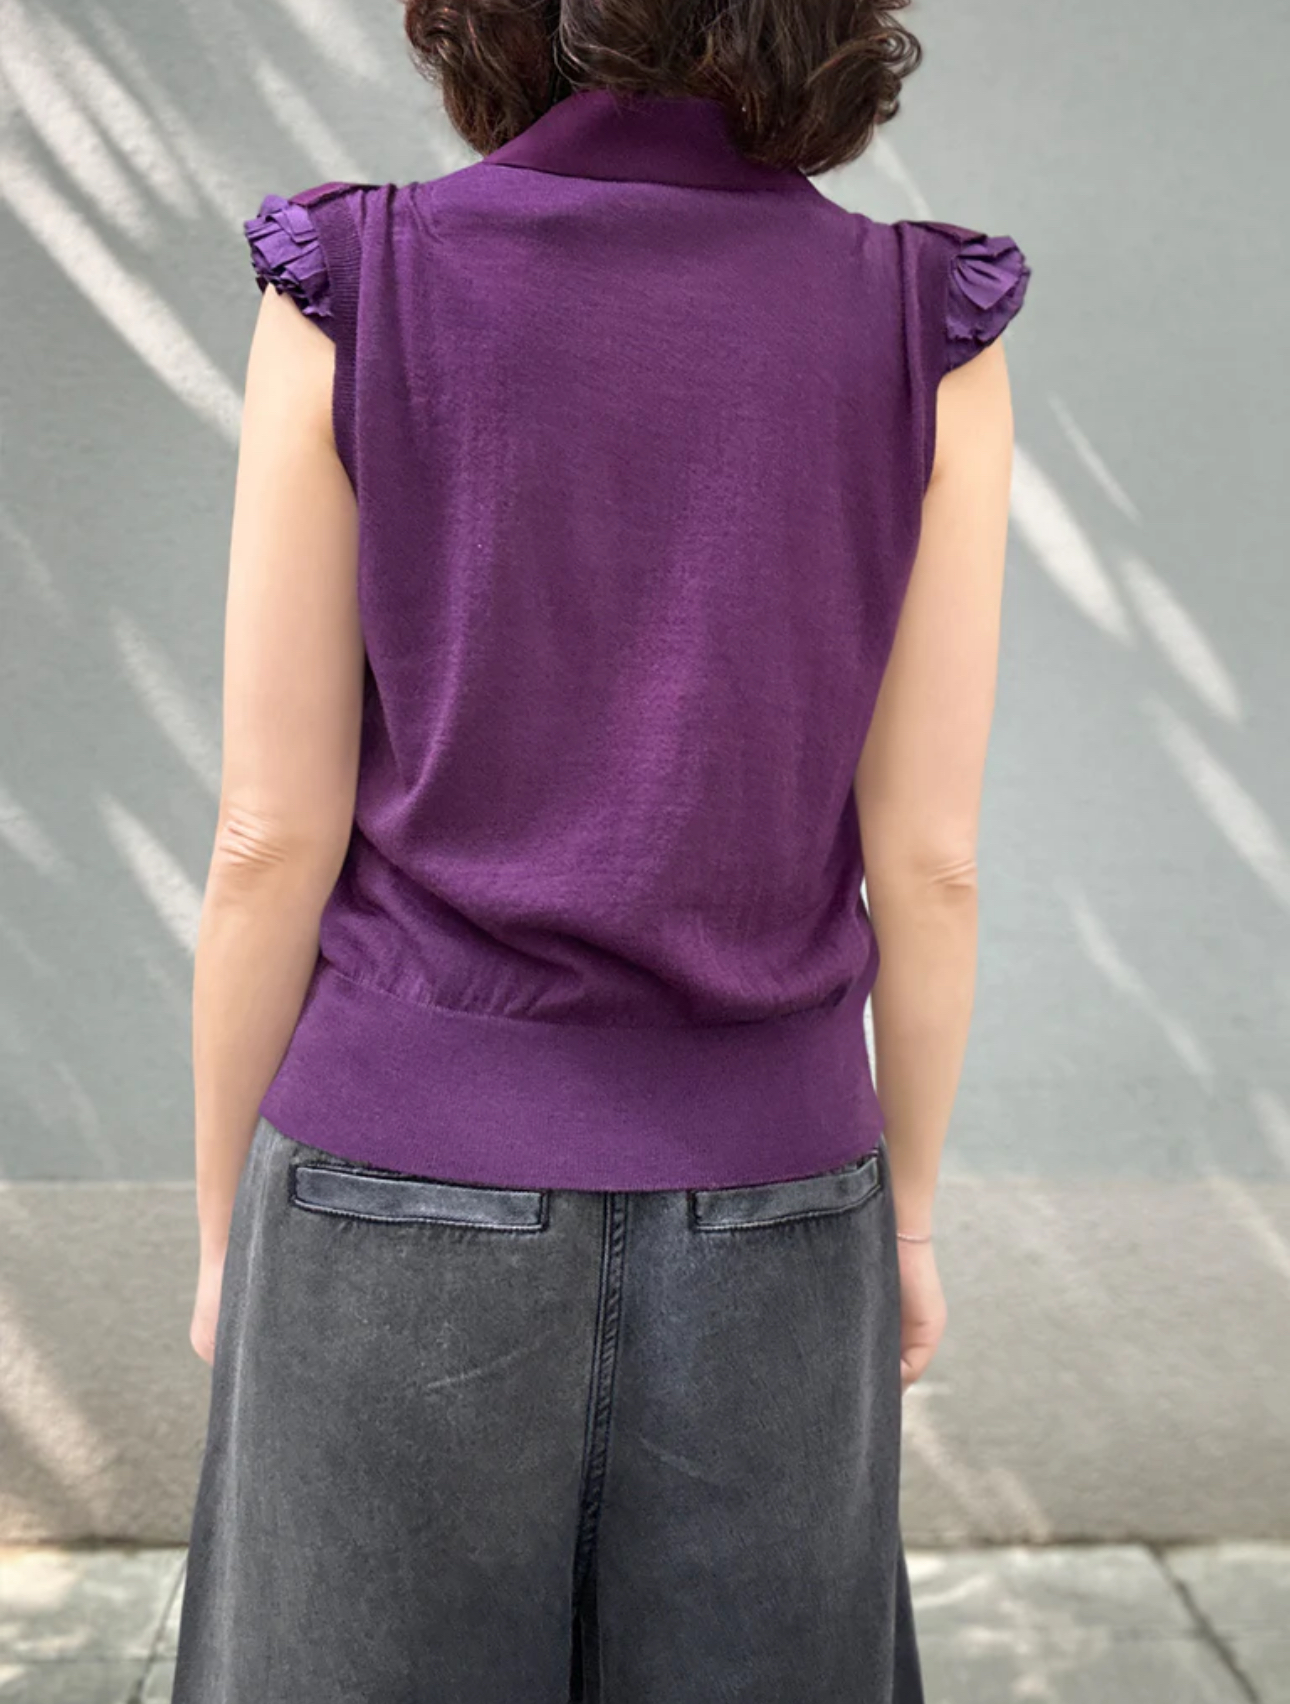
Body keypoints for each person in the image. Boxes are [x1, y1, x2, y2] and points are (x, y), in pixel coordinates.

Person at [172, 0, 1030, 1696]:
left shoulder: (358, 283)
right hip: (779, 1179)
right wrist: (912, 1224)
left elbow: (269, 834)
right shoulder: (917, 318)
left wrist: (223, 1238)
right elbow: (927, 859)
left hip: (388, 1165)